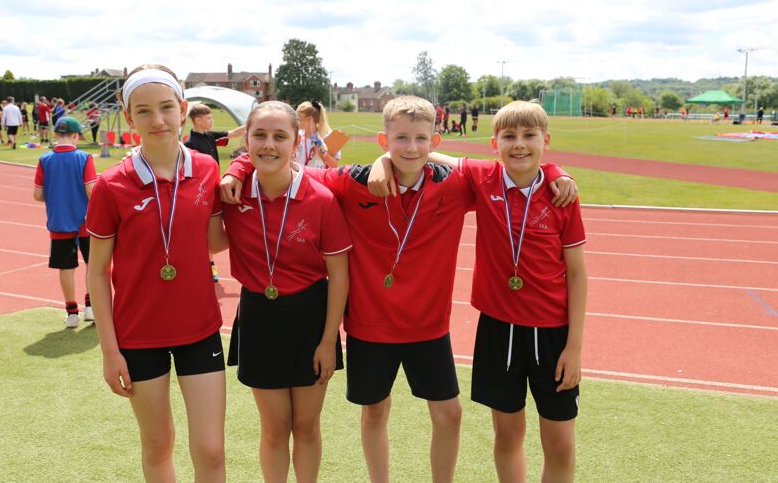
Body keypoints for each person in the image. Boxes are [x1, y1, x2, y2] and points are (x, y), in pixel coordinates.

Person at [222, 96, 577, 483]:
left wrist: (554, 171)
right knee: (375, 412)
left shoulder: (456, 185)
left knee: (450, 415)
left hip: (428, 327)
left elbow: (514, 169)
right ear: (383, 140)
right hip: (370, 325)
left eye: (421, 139)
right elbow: (284, 166)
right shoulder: (353, 181)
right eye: (401, 138)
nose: (411, 147)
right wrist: (239, 167)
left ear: (434, 141)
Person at [389, 101, 587, 482]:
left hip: (553, 334)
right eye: (509, 136)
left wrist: (574, 347)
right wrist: (386, 160)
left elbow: (577, 274)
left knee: (560, 442)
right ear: (494, 144)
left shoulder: (562, 194)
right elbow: (426, 154)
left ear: (546, 141)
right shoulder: (483, 178)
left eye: (529, 136)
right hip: (499, 329)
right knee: (508, 435)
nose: (519, 144)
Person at [86, 65, 227, 482]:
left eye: (166, 107)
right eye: (144, 111)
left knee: (211, 450)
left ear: (183, 109)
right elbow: (97, 273)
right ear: (128, 117)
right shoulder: (110, 186)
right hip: (138, 335)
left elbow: (216, 239)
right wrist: (109, 351)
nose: (158, 120)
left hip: (199, 328)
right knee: (158, 443)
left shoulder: (207, 168)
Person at [222, 101, 351, 483]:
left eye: (280, 136)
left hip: (311, 319)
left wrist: (328, 341)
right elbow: (211, 240)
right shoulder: (232, 194)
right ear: (247, 139)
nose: (269, 144)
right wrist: (235, 168)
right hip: (259, 318)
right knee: (275, 428)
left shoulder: (322, 199)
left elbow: (339, 276)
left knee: (306, 427)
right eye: (260, 135)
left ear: (296, 143)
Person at [34, 117, 97, 328]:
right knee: (92, 265)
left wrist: (56, 196)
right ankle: (91, 307)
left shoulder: (44, 160)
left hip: (59, 222)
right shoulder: (84, 158)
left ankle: (71, 312)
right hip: (86, 222)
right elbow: (91, 191)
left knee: (66, 267)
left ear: (56, 135)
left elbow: (37, 194)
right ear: (76, 135)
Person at [184, 102, 245, 282]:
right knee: (201, 230)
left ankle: (210, 262)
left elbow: (233, 133)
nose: (212, 121)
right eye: (209, 118)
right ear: (197, 120)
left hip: (215, 188)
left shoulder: (210, 136)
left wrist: (252, 124)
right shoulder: (189, 144)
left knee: (214, 230)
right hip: (200, 194)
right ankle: (207, 264)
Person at [296, 100, 340, 168]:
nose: (296, 121)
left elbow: (335, 166)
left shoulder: (327, 137)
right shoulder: (297, 136)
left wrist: (322, 152)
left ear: (309, 119)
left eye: (299, 118)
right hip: (300, 174)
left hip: (318, 175)